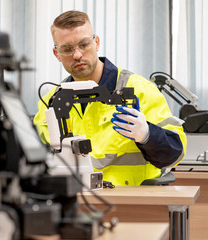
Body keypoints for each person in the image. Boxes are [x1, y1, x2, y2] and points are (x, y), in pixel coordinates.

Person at [33, 10, 187, 186]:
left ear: (96, 43)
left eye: (84, 45)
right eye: (67, 49)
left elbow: (175, 154)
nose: (77, 55)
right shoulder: (51, 101)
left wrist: (147, 135)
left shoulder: (140, 90)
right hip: (74, 201)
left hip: (132, 201)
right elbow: (36, 157)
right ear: (56, 54)